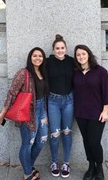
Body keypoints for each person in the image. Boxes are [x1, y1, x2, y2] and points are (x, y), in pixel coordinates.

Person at [0, 47, 48, 180]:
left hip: (42, 109)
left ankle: (28, 166)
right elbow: (12, 93)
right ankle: (27, 174)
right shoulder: (23, 73)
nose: (37, 58)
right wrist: (3, 113)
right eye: (35, 56)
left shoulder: (43, 72)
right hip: (28, 112)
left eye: (40, 56)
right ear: (30, 58)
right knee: (28, 143)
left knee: (42, 140)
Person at [73, 45, 108, 180]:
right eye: (78, 55)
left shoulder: (100, 72)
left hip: (97, 113)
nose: (81, 57)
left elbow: (106, 93)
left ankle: (99, 168)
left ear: (88, 54)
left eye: (83, 54)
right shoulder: (75, 72)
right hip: (80, 113)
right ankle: (91, 167)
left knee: (94, 141)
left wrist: (105, 111)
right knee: (86, 141)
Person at [47, 34, 75, 178]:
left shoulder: (71, 61)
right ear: (53, 50)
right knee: (55, 134)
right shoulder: (48, 62)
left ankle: (65, 163)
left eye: (62, 48)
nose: (60, 50)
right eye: (57, 48)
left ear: (66, 48)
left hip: (69, 100)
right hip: (53, 101)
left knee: (67, 132)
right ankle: (53, 162)